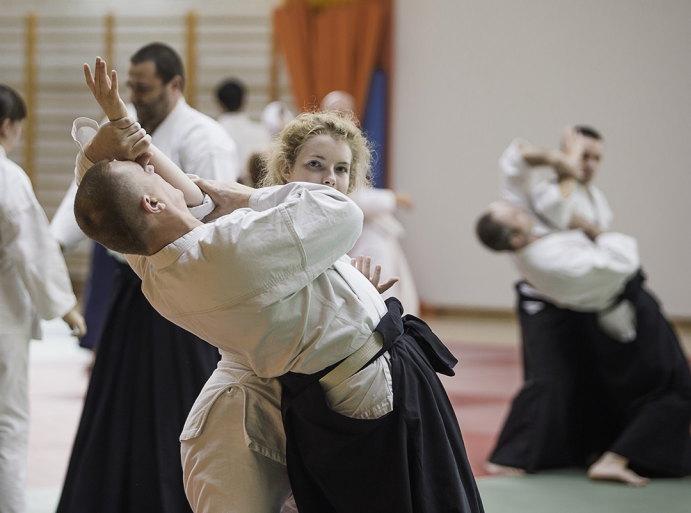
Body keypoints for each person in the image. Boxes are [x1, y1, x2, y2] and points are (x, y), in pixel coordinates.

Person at [72, 59, 484, 513]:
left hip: (354, 375)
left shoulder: (154, 267)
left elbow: (126, 205)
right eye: (147, 174)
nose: (154, 170)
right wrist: (248, 196)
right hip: (370, 384)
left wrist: (104, 141)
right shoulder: (228, 250)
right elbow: (342, 213)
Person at [54, 45, 238, 513]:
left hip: (185, 297)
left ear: (174, 84)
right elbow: (90, 184)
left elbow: (208, 213)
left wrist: (120, 122)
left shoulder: (205, 137)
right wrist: (55, 243)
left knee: (178, 411)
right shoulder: (128, 127)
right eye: (131, 87)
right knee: (117, 410)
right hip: (132, 292)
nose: (135, 94)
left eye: (143, 87)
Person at [476, 202, 691, 486]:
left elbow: (545, 195)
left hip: (609, 313)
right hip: (621, 313)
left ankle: (611, 452)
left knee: (617, 386)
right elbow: (623, 263)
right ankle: (614, 458)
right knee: (673, 388)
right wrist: (592, 229)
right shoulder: (547, 261)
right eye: (515, 214)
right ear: (515, 238)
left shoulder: (537, 242)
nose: (522, 209)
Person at [0, 84, 87, 513]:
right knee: (7, 426)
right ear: (7, 126)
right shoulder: (8, 178)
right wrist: (66, 308)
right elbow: (31, 247)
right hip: (2, 319)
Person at [319, 90, 421, 315]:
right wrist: (393, 198)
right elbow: (349, 197)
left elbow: (357, 190)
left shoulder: (350, 144)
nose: (340, 117)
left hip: (367, 227)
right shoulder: (321, 148)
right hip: (350, 231)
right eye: (335, 112)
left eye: (345, 112)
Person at [498, 126, 612, 236]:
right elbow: (559, 210)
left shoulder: (597, 197)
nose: (591, 165)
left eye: (597, 158)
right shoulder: (546, 192)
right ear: (565, 153)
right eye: (584, 156)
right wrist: (567, 161)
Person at [215, 78, 271, 184]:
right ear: (244, 102)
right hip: (255, 189)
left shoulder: (213, 133)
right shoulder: (261, 132)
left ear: (219, 104)